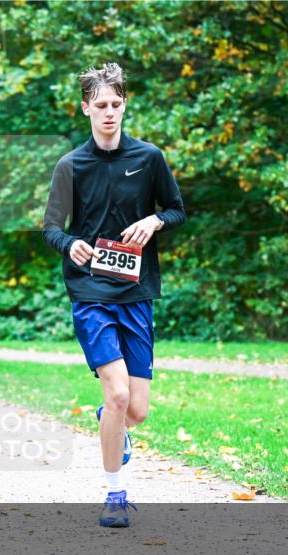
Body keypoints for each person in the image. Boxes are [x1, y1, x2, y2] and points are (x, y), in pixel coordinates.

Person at [42, 63, 186, 528]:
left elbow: (178, 210)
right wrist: (70, 244)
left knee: (136, 411)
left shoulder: (149, 158)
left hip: (136, 292)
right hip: (90, 293)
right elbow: (50, 227)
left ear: (125, 105)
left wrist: (155, 220)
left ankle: (112, 418)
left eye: (116, 105)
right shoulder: (71, 165)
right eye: (100, 105)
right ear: (85, 107)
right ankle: (114, 494)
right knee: (121, 395)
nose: (108, 113)